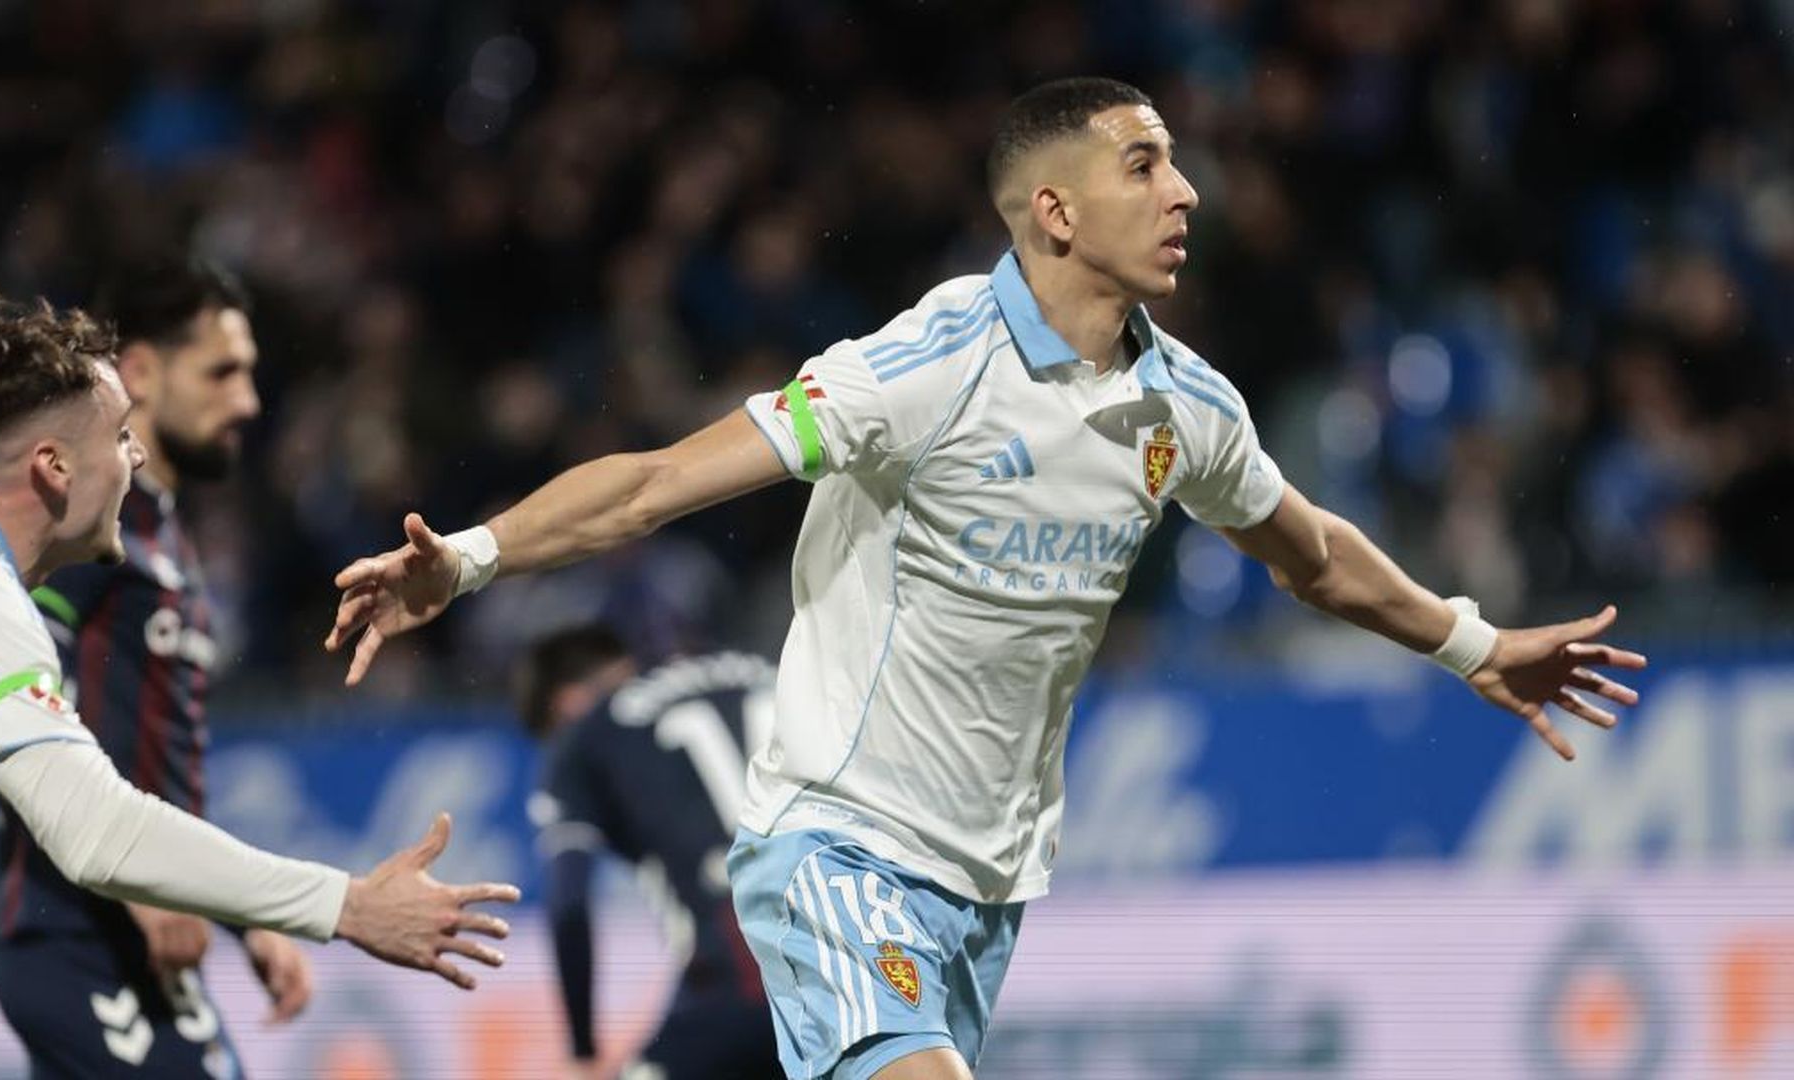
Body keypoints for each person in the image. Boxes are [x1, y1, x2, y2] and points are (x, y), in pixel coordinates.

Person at [325, 78, 1647, 1080]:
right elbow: (657, 482)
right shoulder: (926, 367)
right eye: (1146, 165)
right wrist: (477, 559)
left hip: (990, 892)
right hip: (836, 846)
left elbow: (1309, 554)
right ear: (1054, 210)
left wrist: (1473, 645)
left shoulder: (1182, 404)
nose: (1185, 190)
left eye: (1180, 163)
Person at [0, 295, 519, 1023]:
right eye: (120, 436)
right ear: (52, 466)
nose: (138, 454)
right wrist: (348, 906)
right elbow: (96, 832)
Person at [0, 258, 296, 1077]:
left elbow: (153, 769)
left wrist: (243, 918)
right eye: (222, 371)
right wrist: (144, 889)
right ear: (144, 371)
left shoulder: (167, 541)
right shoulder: (86, 529)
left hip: (136, 938)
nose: (247, 401)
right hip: (70, 932)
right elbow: (18, 701)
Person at [521, 625, 782, 1080]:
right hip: (846, 980)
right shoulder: (766, 670)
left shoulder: (588, 731)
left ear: (564, 705)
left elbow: (569, 906)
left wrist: (582, 1049)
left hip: (732, 989)